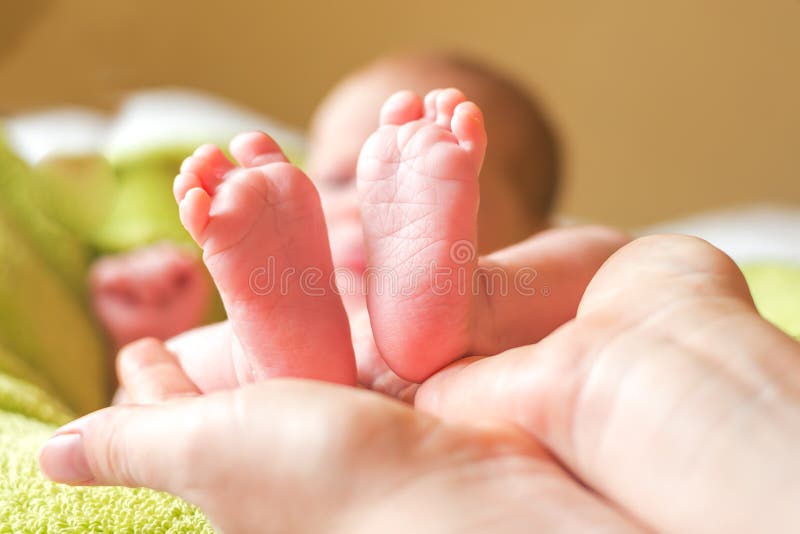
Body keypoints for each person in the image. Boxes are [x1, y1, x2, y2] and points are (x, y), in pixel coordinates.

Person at [39, 234, 800, 533]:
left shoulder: (550, 291)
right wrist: (150, 313)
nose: (360, 203)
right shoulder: (257, 284)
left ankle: (472, 296)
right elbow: (150, 386)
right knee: (193, 362)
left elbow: (605, 253)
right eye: (336, 175)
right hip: (507, 423)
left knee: (609, 257)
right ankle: (296, 359)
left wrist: (489, 294)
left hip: (496, 375)